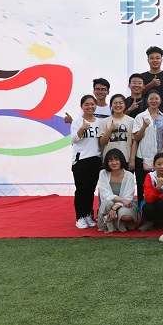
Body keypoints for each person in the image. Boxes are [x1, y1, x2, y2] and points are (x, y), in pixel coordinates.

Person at [132, 90, 163, 205]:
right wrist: (144, 126)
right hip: (142, 156)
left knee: (159, 185)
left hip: (159, 158)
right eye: (151, 98)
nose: (154, 101)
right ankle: (143, 210)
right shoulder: (140, 116)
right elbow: (136, 137)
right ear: (147, 100)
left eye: (156, 98)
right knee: (142, 185)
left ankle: (158, 212)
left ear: (160, 101)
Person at [71, 95, 102, 229]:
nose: (90, 107)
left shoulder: (99, 122)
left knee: (90, 190)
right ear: (82, 106)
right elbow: (73, 139)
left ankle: (88, 215)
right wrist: (82, 128)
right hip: (81, 160)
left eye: (92, 104)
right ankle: (79, 217)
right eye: (87, 104)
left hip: (96, 159)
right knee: (81, 190)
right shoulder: (77, 122)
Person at [96, 148, 138, 233]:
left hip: (126, 204)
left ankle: (119, 220)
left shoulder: (129, 175)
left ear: (121, 160)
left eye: (116, 159)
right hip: (111, 203)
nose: (114, 163)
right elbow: (105, 194)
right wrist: (121, 200)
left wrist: (115, 207)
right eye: (110, 160)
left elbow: (128, 197)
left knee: (125, 216)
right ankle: (112, 222)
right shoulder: (103, 173)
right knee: (108, 203)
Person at [98, 93, 135, 162]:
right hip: (109, 160)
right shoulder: (104, 121)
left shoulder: (131, 121)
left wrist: (132, 159)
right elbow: (102, 142)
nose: (118, 105)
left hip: (126, 159)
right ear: (111, 105)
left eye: (121, 103)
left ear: (125, 105)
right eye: (115, 103)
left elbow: (134, 142)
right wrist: (110, 129)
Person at [139, 46, 163, 111]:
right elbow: (139, 93)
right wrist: (151, 84)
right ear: (148, 60)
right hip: (145, 112)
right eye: (152, 58)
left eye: (157, 58)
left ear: (161, 60)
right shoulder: (142, 77)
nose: (155, 60)